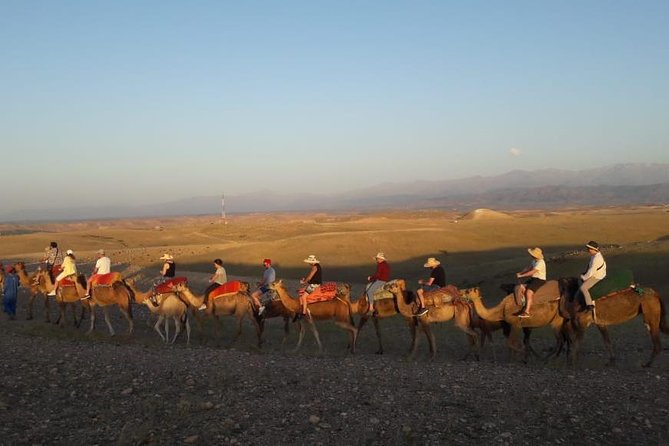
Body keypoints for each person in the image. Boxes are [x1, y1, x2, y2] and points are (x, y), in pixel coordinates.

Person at [514, 247, 547, 318]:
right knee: (521, 287)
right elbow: (528, 268)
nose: (531, 255)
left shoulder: (541, 262)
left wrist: (522, 275)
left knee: (529, 292)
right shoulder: (534, 261)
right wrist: (521, 272)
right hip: (533, 278)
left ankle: (527, 312)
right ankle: (523, 306)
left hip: (540, 280)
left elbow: (532, 271)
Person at [579, 241, 607, 311]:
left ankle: (589, 304)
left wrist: (584, 277)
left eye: (589, 249)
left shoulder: (596, 259)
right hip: (596, 273)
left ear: (594, 249)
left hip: (597, 276)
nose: (588, 251)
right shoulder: (594, 256)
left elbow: (591, 271)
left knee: (583, 288)